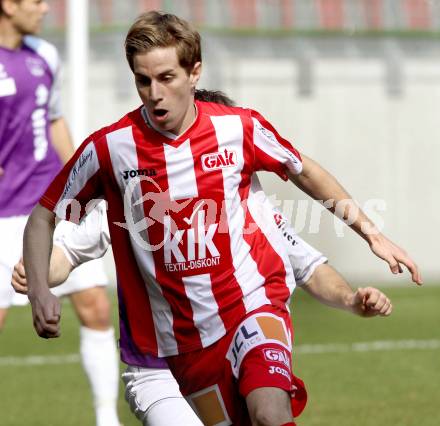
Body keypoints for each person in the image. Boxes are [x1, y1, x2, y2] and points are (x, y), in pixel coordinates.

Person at [22, 11, 421, 426]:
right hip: (176, 349)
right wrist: (38, 289)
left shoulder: (239, 129)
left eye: (167, 78)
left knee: (269, 412)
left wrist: (371, 234)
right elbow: (44, 215)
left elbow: (305, 173)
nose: (154, 93)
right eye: (143, 81)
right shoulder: (112, 149)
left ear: (195, 72)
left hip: (249, 310)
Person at [12, 197, 392, 426]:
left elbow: (306, 265)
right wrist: (40, 273)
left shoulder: (249, 204)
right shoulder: (128, 195)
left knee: (270, 412)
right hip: (157, 371)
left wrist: (350, 300)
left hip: (231, 357)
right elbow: (68, 252)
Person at [0, 2, 120, 425]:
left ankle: (107, 418)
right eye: (34, 1)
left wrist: (84, 184)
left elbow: (53, 121)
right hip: (2, 213)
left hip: (50, 208)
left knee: (96, 307)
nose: (45, 8)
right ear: (8, 6)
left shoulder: (44, 56)